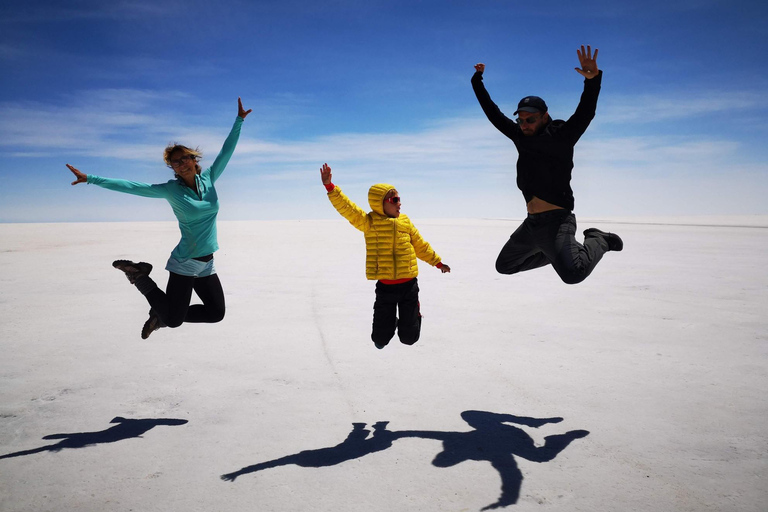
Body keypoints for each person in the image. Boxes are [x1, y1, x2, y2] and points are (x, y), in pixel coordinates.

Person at [66, 98, 252, 338]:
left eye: (185, 158)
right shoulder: (170, 190)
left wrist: (238, 121)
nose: (182, 163)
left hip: (207, 262)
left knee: (215, 313)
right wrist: (91, 178)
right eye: (175, 162)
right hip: (185, 261)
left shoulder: (209, 179)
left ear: (195, 160)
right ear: (172, 168)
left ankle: (160, 314)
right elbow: (132, 186)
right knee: (173, 320)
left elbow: (227, 151)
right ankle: (140, 277)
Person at [471, 46, 622, 285]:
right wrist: (477, 81)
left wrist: (593, 82)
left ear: (544, 116)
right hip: (532, 224)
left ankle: (598, 239)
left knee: (573, 274)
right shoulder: (520, 137)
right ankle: (559, 254)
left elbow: (585, 114)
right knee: (505, 265)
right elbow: (493, 113)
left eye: (530, 119)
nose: (524, 124)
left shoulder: (562, 136)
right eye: (520, 120)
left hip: (557, 221)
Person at [320, 163, 450, 349]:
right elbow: (348, 209)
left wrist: (438, 263)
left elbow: (421, 246)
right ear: (380, 203)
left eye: (399, 199)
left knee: (409, 338)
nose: (399, 203)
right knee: (379, 340)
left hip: (409, 287)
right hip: (385, 289)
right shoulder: (370, 222)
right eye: (395, 199)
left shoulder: (405, 222)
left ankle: (415, 315)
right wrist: (330, 187)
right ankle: (391, 323)